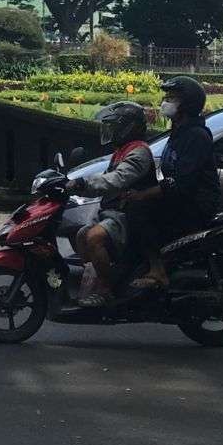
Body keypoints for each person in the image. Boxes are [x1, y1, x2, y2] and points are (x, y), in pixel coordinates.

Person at [120, 75, 221, 292]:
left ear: (188, 104)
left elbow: (182, 182)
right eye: (166, 96)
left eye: (172, 98)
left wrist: (142, 196)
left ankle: (158, 270)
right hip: (180, 197)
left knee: (138, 209)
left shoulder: (196, 136)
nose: (165, 101)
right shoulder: (178, 133)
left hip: (195, 203)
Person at [73, 101, 156, 307]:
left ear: (128, 127)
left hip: (131, 214)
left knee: (94, 237)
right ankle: (103, 277)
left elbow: (116, 179)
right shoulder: (122, 150)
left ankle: (106, 288)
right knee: (81, 235)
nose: (110, 131)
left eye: (114, 126)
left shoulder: (139, 152)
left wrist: (83, 183)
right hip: (115, 211)